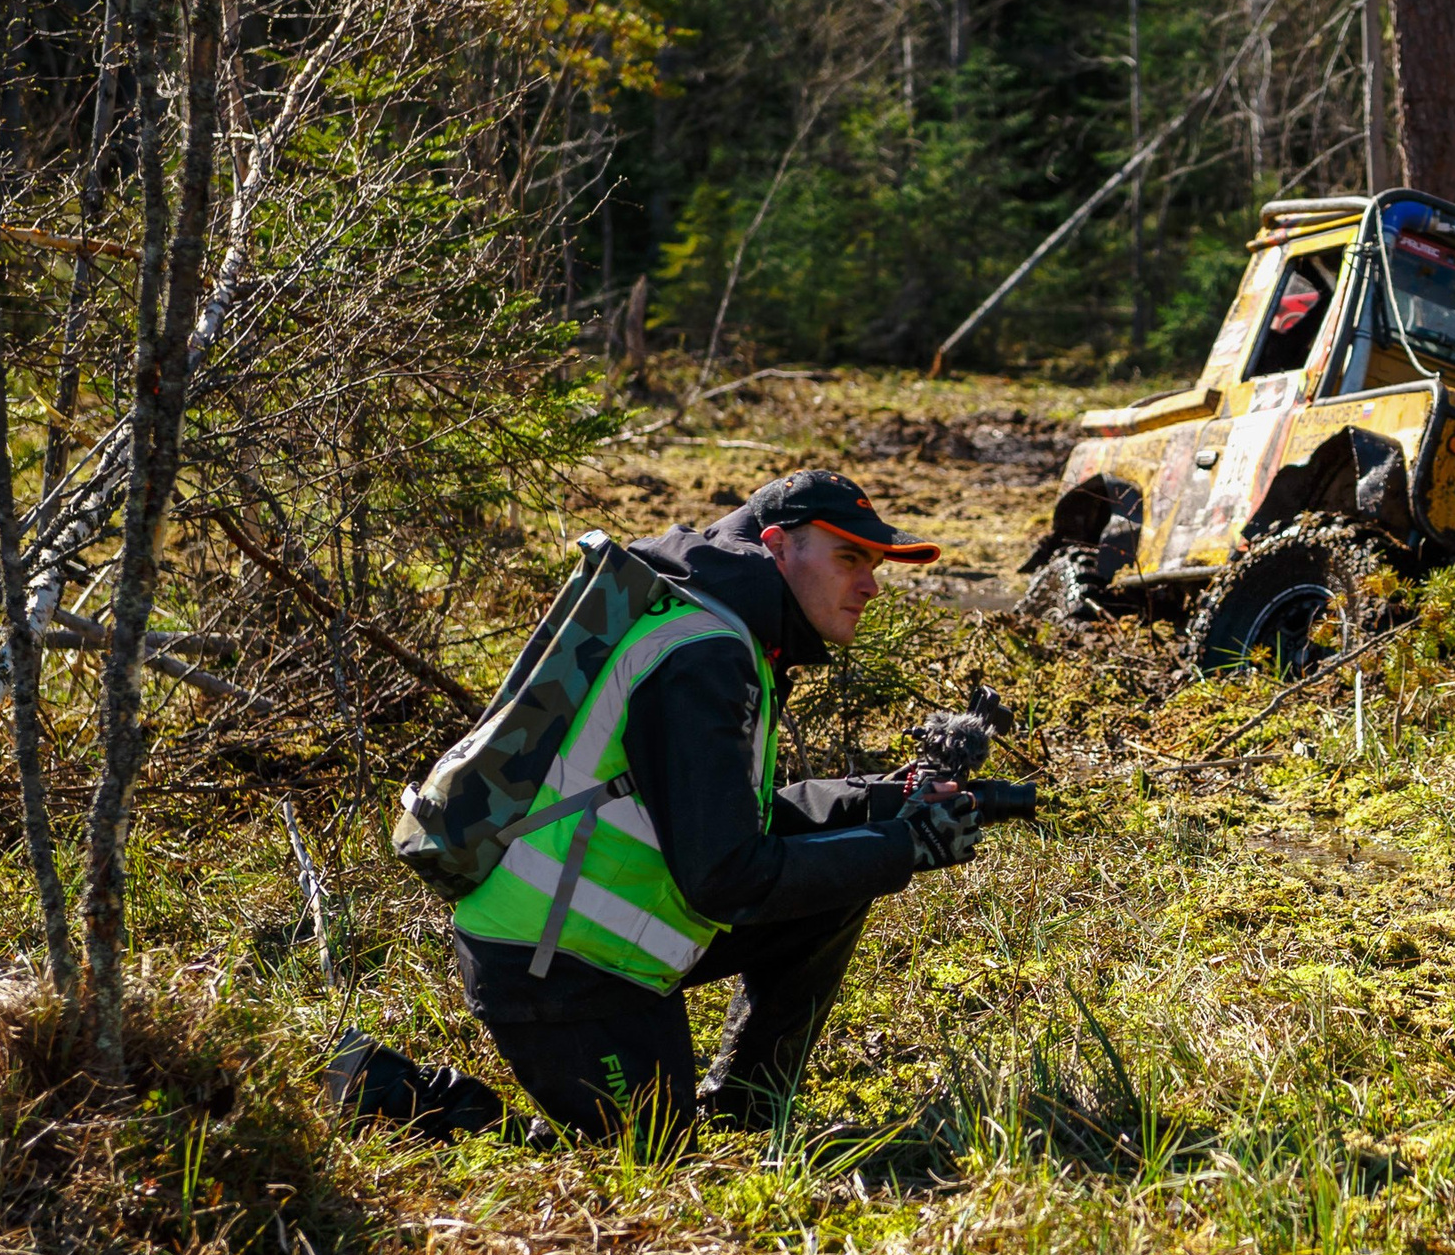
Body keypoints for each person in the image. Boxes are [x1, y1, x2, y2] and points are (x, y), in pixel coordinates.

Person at [325, 471, 986, 1150]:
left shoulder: (719, 626)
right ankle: (386, 1088)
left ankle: (747, 1111)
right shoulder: (706, 652)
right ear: (778, 545)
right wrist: (902, 848)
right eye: (850, 558)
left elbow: (735, 822)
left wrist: (888, 802)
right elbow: (726, 874)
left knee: (843, 873)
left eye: (873, 565)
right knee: (650, 1158)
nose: (871, 584)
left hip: (595, 947)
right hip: (553, 965)